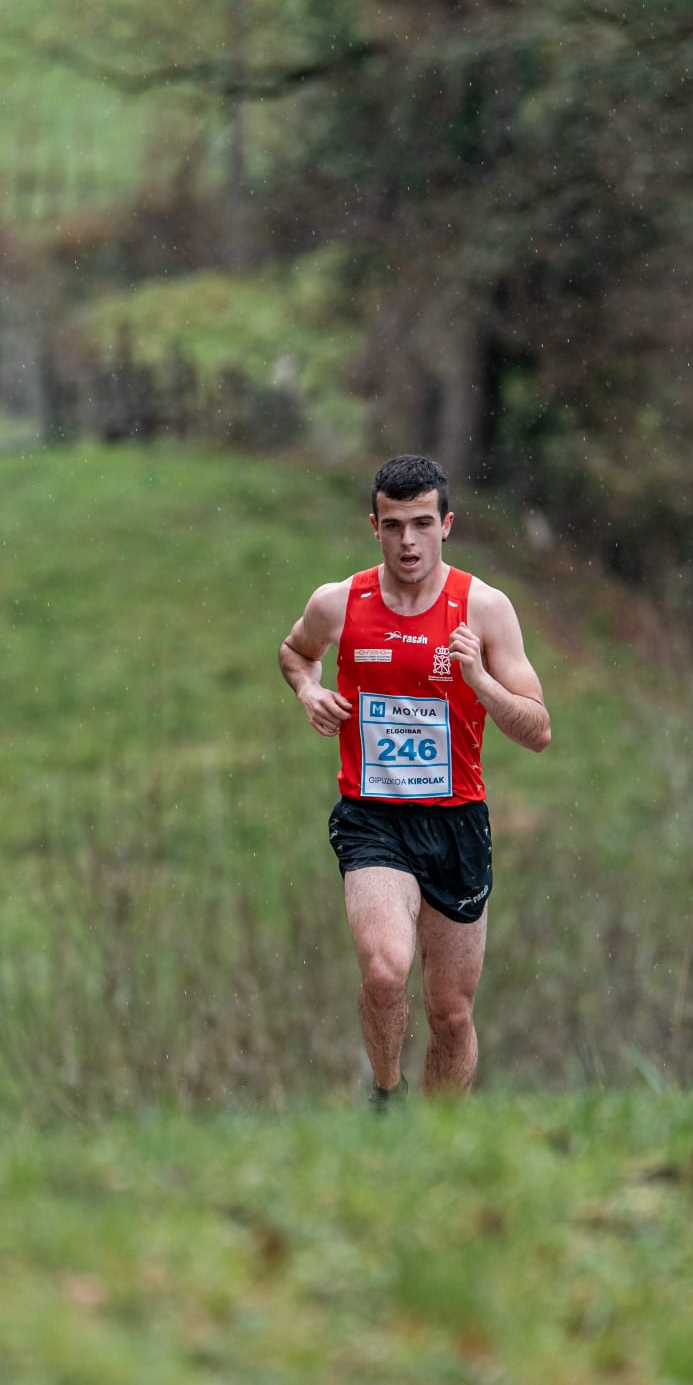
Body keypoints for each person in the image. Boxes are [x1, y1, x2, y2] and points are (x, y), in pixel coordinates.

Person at [278, 454, 551, 1104]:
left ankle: (439, 1137)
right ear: (373, 525)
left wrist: (479, 680)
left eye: (421, 524)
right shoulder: (338, 604)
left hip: (457, 822)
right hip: (373, 817)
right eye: (393, 525)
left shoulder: (484, 609)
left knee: (451, 1013)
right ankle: (388, 1095)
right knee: (383, 970)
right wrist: (308, 692)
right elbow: (294, 653)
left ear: (447, 525)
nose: (408, 542)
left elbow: (538, 729)